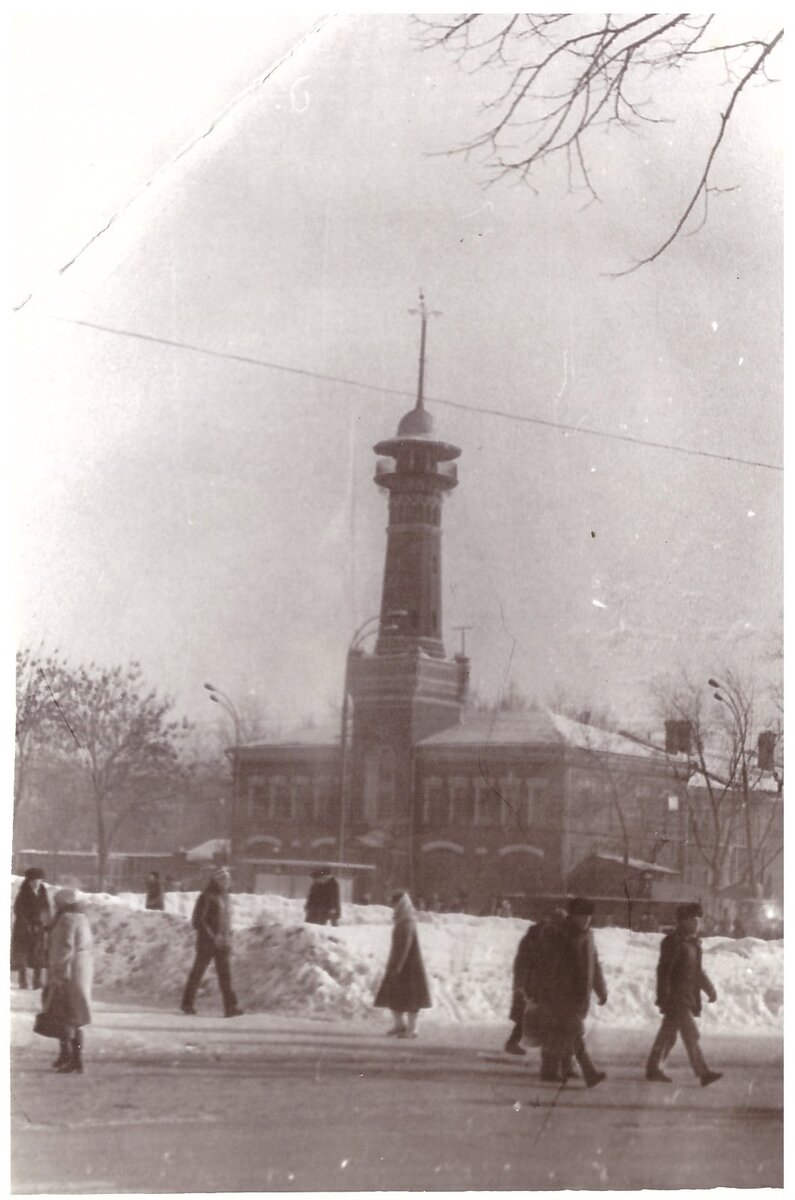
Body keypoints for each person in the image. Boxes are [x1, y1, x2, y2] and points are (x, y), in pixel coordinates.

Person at [645, 902, 722, 1087]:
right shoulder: (673, 942)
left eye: (698, 919)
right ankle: (703, 1073)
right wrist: (664, 996)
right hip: (675, 998)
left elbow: (697, 971)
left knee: (668, 1035)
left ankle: (653, 1068)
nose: (697, 923)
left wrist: (709, 988)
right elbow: (664, 971)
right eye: (693, 920)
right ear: (684, 921)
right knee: (690, 1034)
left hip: (687, 996)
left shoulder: (694, 943)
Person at [535, 896, 608, 1087]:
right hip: (561, 995)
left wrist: (601, 990)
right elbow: (548, 967)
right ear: (573, 917)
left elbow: (595, 965)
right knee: (575, 1031)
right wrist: (548, 993)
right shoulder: (560, 935)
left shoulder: (589, 936)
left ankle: (551, 1070)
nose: (586, 920)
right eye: (582, 917)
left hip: (579, 995)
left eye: (589, 917)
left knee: (560, 1033)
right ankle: (589, 1072)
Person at [504, 909, 569, 1060]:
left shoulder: (545, 935)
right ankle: (516, 1043)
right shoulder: (538, 937)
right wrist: (521, 983)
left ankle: (515, 1043)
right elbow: (523, 961)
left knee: (532, 1015)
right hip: (532, 983)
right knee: (530, 1014)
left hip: (537, 982)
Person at [181, 866, 243, 1017]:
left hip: (223, 943)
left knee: (226, 976)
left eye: (228, 879)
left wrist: (228, 935)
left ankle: (230, 1007)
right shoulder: (206, 896)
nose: (227, 882)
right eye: (223, 879)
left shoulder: (226, 898)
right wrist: (212, 936)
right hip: (207, 944)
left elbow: (227, 920)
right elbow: (198, 920)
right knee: (198, 973)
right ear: (216, 880)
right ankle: (187, 1004)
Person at [45, 888, 93, 1074]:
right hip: (80, 970)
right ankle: (72, 1057)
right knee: (74, 1017)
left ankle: (74, 1058)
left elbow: (65, 949)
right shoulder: (81, 918)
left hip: (68, 973)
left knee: (66, 1016)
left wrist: (58, 973)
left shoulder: (67, 920)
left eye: (57, 903)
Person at [374, 891, 432, 1038]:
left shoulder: (407, 921)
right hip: (401, 964)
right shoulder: (403, 919)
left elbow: (404, 946)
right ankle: (399, 1025)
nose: (392, 906)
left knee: (411, 998)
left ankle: (412, 1029)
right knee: (396, 996)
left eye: (394, 903)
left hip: (409, 966)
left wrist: (397, 967)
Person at [12, 868, 52, 989]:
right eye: (34, 881)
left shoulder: (43, 892)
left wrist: (46, 924)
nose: (37, 883)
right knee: (22, 954)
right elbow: (19, 910)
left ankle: (37, 981)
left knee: (38, 954)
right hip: (23, 928)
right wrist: (27, 924)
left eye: (39, 881)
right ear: (29, 881)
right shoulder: (23, 893)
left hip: (38, 928)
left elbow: (46, 909)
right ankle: (23, 980)